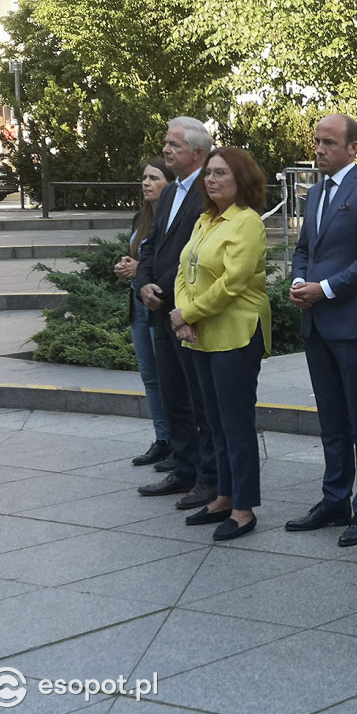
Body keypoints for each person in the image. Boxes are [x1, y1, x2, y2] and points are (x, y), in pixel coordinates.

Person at [284, 114, 357, 547]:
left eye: (329, 143)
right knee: (330, 418)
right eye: (316, 142)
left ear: (353, 148)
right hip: (316, 323)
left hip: (351, 322)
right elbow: (305, 249)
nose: (319, 149)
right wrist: (298, 281)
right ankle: (334, 500)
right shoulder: (315, 195)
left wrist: (324, 289)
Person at [170, 147, 272, 542]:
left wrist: (188, 314)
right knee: (213, 423)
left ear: (240, 180)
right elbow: (185, 271)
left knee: (236, 424)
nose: (211, 180)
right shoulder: (205, 220)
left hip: (235, 334)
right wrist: (184, 313)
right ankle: (224, 495)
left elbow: (233, 283)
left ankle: (244, 509)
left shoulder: (246, 222)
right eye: (208, 173)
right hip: (202, 335)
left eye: (221, 174)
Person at [134, 117, 217, 510]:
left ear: (197, 153)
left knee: (197, 396)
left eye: (173, 145)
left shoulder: (209, 192)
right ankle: (183, 468)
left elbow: (193, 256)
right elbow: (152, 246)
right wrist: (143, 283)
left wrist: (162, 290)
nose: (166, 150)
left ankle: (207, 476)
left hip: (187, 311)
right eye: (166, 144)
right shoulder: (169, 194)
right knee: (172, 394)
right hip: (159, 309)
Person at [114, 159, 174, 470]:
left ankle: (180, 442)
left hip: (160, 303)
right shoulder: (141, 218)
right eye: (144, 177)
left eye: (154, 177)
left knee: (169, 376)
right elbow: (141, 256)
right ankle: (162, 439)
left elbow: (171, 263)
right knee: (150, 376)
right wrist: (127, 265)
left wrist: (141, 270)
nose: (146, 182)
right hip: (138, 303)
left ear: (170, 183)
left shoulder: (174, 217)